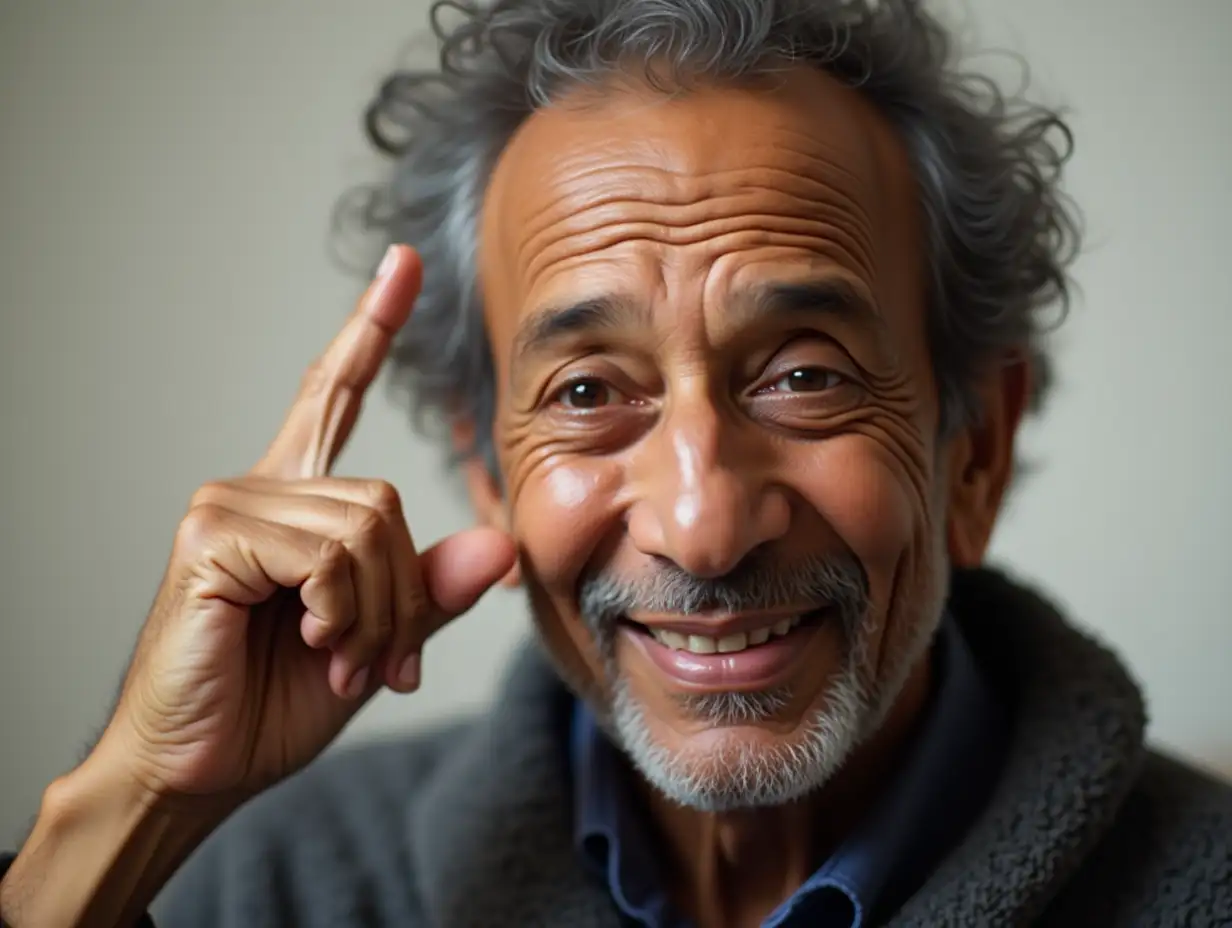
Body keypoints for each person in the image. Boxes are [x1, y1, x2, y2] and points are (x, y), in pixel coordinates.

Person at [3, 0, 1230, 925]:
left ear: (974, 449)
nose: (701, 526)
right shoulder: (276, 886)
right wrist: (133, 805)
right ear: (486, 471)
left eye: (802, 374)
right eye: (587, 393)